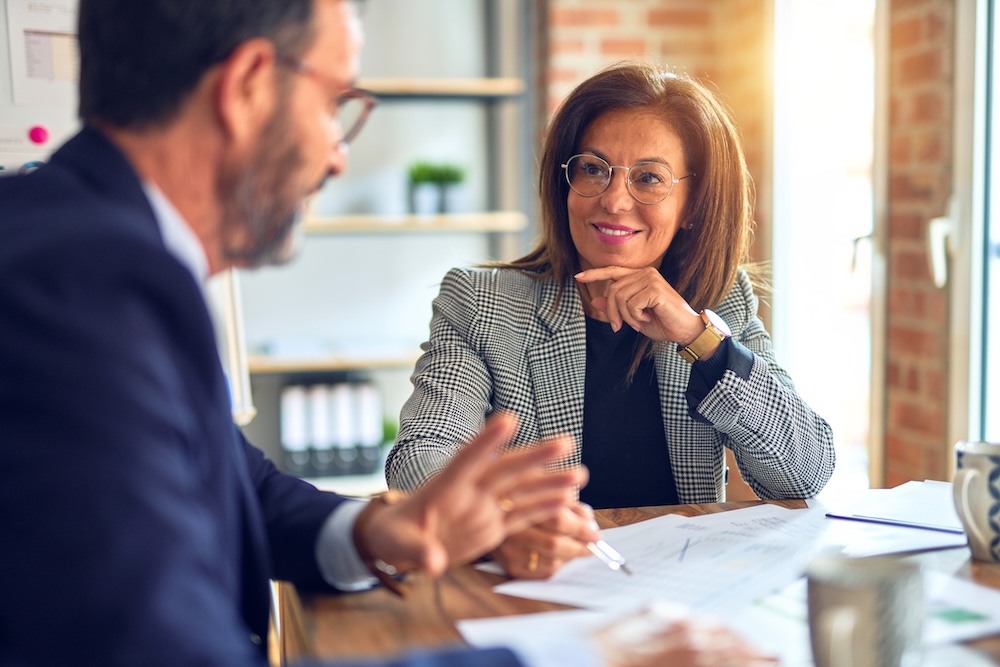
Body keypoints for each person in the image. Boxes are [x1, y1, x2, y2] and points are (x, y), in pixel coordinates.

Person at [0, 2, 775, 667]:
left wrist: (378, 527)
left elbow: (234, 482)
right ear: (244, 88)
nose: (339, 156)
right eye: (335, 102)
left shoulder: (86, 250)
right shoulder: (80, 288)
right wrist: (582, 654)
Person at [386, 61, 836, 580]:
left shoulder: (719, 301)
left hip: (679, 594)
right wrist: (505, 522)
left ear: (693, 205)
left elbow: (803, 471)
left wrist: (699, 337)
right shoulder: (481, 302)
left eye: (649, 178)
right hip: (535, 588)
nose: (615, 199)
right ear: (566, 182)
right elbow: (419, 461)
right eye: (594, 169)